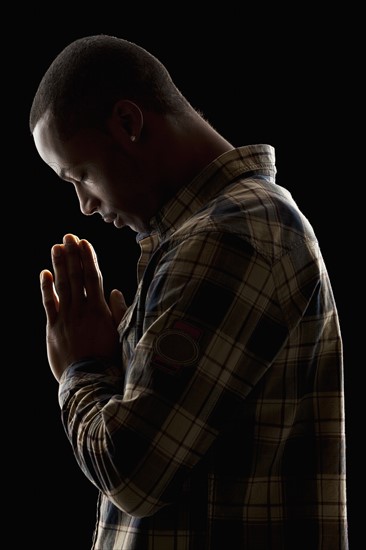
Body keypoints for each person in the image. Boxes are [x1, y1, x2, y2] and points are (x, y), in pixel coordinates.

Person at [29, 34, 348, 549]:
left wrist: (80, 371)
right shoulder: (204, 237)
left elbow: (133, 474)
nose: (83, 205)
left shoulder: (233, 235)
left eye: (80, 176)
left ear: (128, 124)